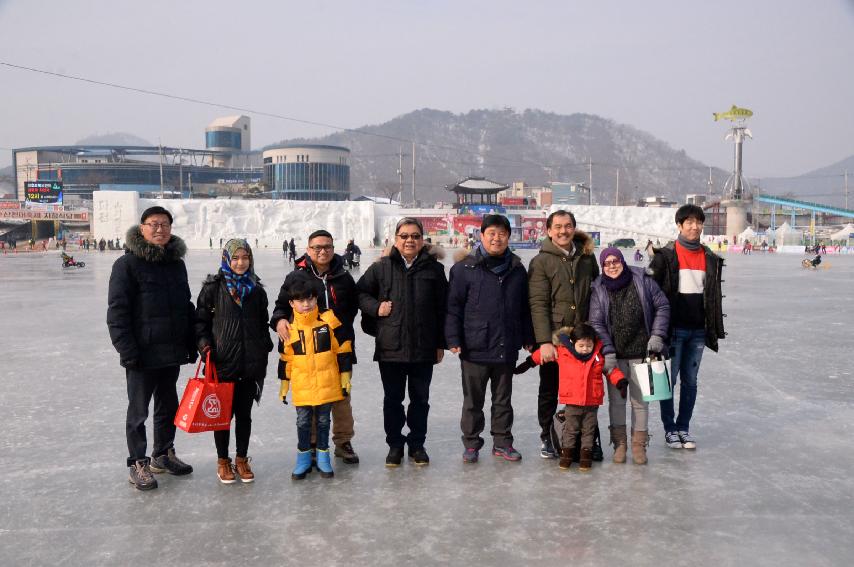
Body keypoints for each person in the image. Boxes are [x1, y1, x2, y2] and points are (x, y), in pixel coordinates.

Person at [107, 206, 196, 491]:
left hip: (170, 351)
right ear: (142, 228)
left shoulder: (176, 264)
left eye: (165, 224)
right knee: (138, 412)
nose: (160, 229)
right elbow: (117, 312)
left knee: (168, 406)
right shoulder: (126, 265)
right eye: (154, 224)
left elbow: (185, 306)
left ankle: (163, 454)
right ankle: (138, 462)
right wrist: (127, 350)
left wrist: (191, 341)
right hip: (141, 353)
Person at [357, 217, 448, 467]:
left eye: (415, 236)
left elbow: (443, 309)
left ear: (422, 240)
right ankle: (395, 445)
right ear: (396, 240)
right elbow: (360, 293)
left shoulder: (434, 270)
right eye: (404, 236)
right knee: (393, 400)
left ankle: (417, 444)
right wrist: (376, 308)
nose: (410, 240)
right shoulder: (382, 267)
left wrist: (440, 344)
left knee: (420, 400)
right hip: (391, 347)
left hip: (423, 346)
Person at [445, 215, 534, 463]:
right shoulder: (464, 269)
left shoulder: (517, 269)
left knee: (503, 400)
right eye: (492, 233)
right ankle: (471, 443)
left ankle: (502, 442)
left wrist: (528, 337)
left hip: (506, 344)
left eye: (502, 233)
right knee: (473, 401)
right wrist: (452, 338)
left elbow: (523, 308)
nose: (497, 238)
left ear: (509, 237)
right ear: (481, 236)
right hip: (474, 345)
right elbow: (453, 307)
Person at [270, 230, 361, 464]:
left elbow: (352, 308)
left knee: (342, 397)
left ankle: (343, 442)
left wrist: (338, 331)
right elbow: (281, 306)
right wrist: (280, 320)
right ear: (309, 250)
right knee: (312, 398)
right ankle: (311, 445)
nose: (323, 251)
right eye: (317, 247)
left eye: (327, 247)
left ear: (333, 248)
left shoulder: (343, 276)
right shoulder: (296, 276)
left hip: (338, 347)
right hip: (307, 349)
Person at [195, 239, 273, 484]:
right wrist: (205, 345)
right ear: (227, 259)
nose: (241, 263)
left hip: (250, 364)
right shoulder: (213, 288)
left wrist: (264, 346)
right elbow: (200, 324)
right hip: (222, 363)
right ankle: (222, 460)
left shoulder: (257, 290)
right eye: (236, 258)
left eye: (245, 257)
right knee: (222, 417)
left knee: (244, 415)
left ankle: (241, 458)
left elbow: (262, 323)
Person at [649, 204, 725, 450]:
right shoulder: (666, 256)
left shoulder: (709, 257)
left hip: (698, 331)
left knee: (690, 381)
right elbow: (651, 292)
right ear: (679, 226)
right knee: (667, 382)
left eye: (698, 222)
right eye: (689, 222)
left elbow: (711, 295)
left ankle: (684, 427)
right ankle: (670, 429)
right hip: (673, 330)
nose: (694, 226)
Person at [527, 210, 600, 459]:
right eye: (557, 227)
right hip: (557, 339)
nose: (563, 231)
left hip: (584, 338)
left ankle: (587, 438)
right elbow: (538, 303)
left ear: (574, 228)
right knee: (550, 387)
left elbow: (597, 294)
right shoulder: (541, 261)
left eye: (568, 226)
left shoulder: (587, 258)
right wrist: (544, 341)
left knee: (587, 388)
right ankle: (547, 435)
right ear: (548, 231)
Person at [589, 247, 670, 464]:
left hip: (642, 353)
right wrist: (607, 350)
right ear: (602, 266)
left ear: (623, 262)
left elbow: (662, 305)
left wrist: (657, 335)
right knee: (617, 401)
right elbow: (596, 322)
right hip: (615, 354)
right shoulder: (598, 287)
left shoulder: (642, 279)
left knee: (640, 401)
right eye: (607, 263)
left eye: (616, 261)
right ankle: (620, 444)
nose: (612, 265)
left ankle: (638, 444)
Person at [514, 324, 626, 472]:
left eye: (589, 345)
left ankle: (586, 458)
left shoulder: (598, 357)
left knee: (588, 432)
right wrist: (529, 363)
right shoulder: (564, 353)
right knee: (570, 431)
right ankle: (566, 457)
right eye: (581, 345)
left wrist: (620, 381)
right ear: (573, 343)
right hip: (572, 403)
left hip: (591, 403)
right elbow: (544, 355)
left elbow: (611, 370)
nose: (585, 349)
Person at [279, 281, 353, 480]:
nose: (306, 304)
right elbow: (286, 358)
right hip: (302, 386)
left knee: (322, 421)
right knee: (303, 422)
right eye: (300, 300)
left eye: (310, 299)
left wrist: (345, 374)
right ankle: (303, 458)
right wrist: (284, 383)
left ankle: (323, 457)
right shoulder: (290, 328)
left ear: (316, 299)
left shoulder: (328, 320)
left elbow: (343, 347)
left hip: (327, 383)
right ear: (292, 303)